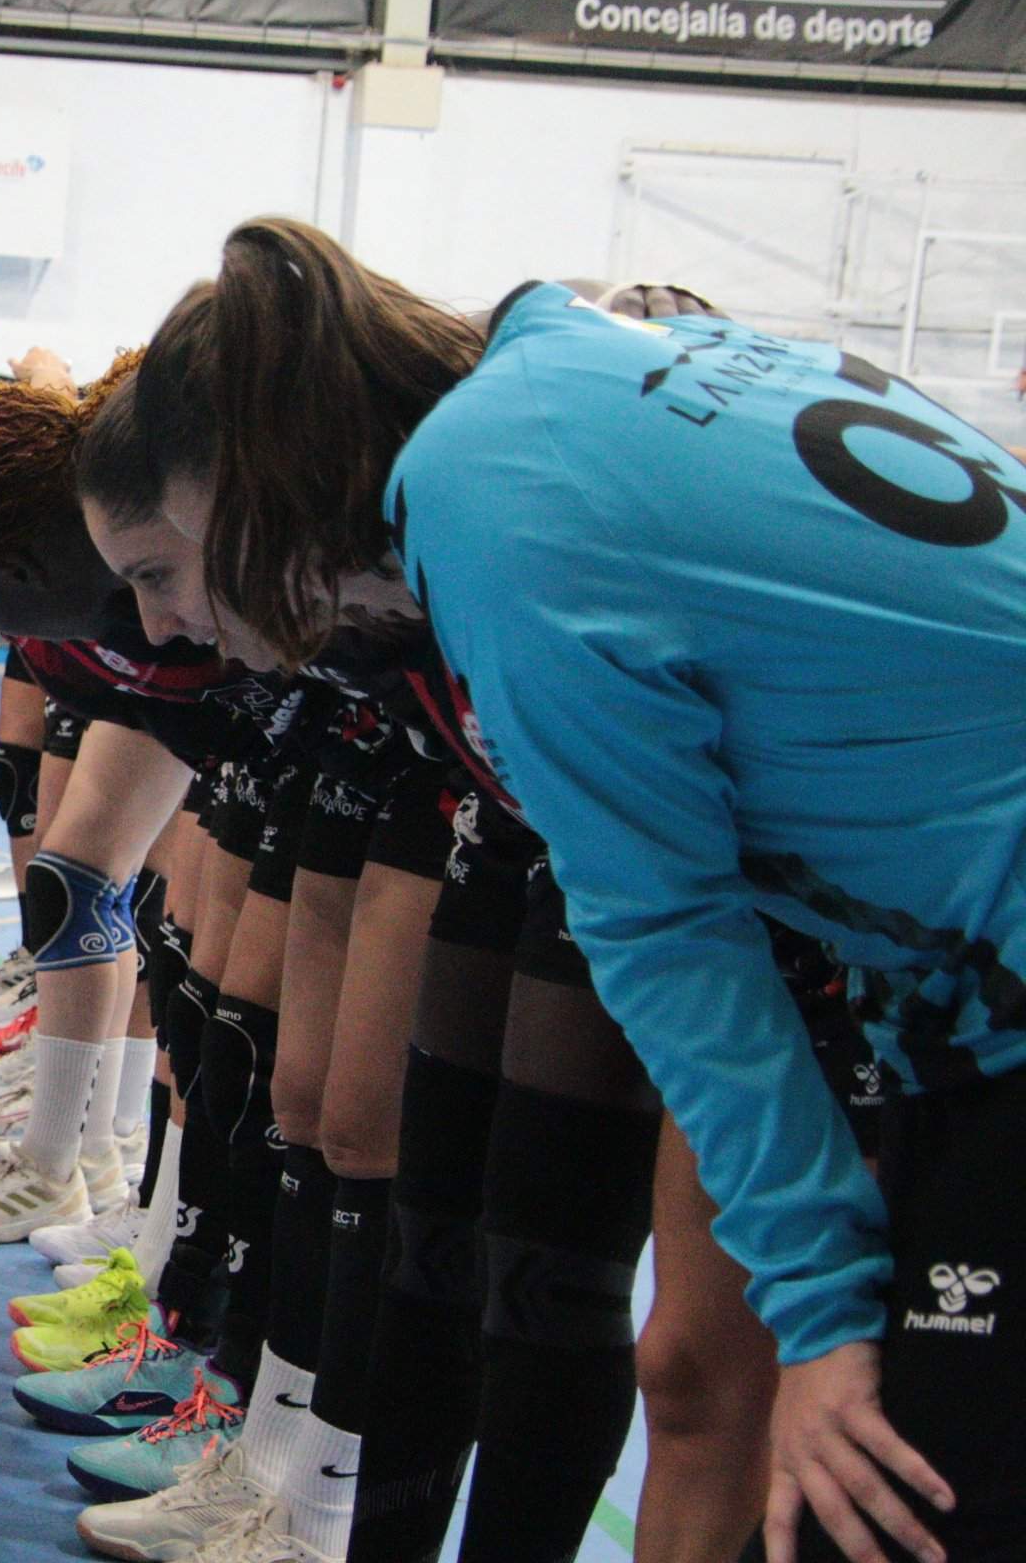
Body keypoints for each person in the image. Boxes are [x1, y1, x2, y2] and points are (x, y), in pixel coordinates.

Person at [85, 217, 1025, 1563]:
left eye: (165, 561)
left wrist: (818, 1306)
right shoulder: (600, 371)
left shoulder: (495, 509)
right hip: (968, 995)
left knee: (892, 1501)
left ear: (251, 483)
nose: (170, 623)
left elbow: (669, 934)